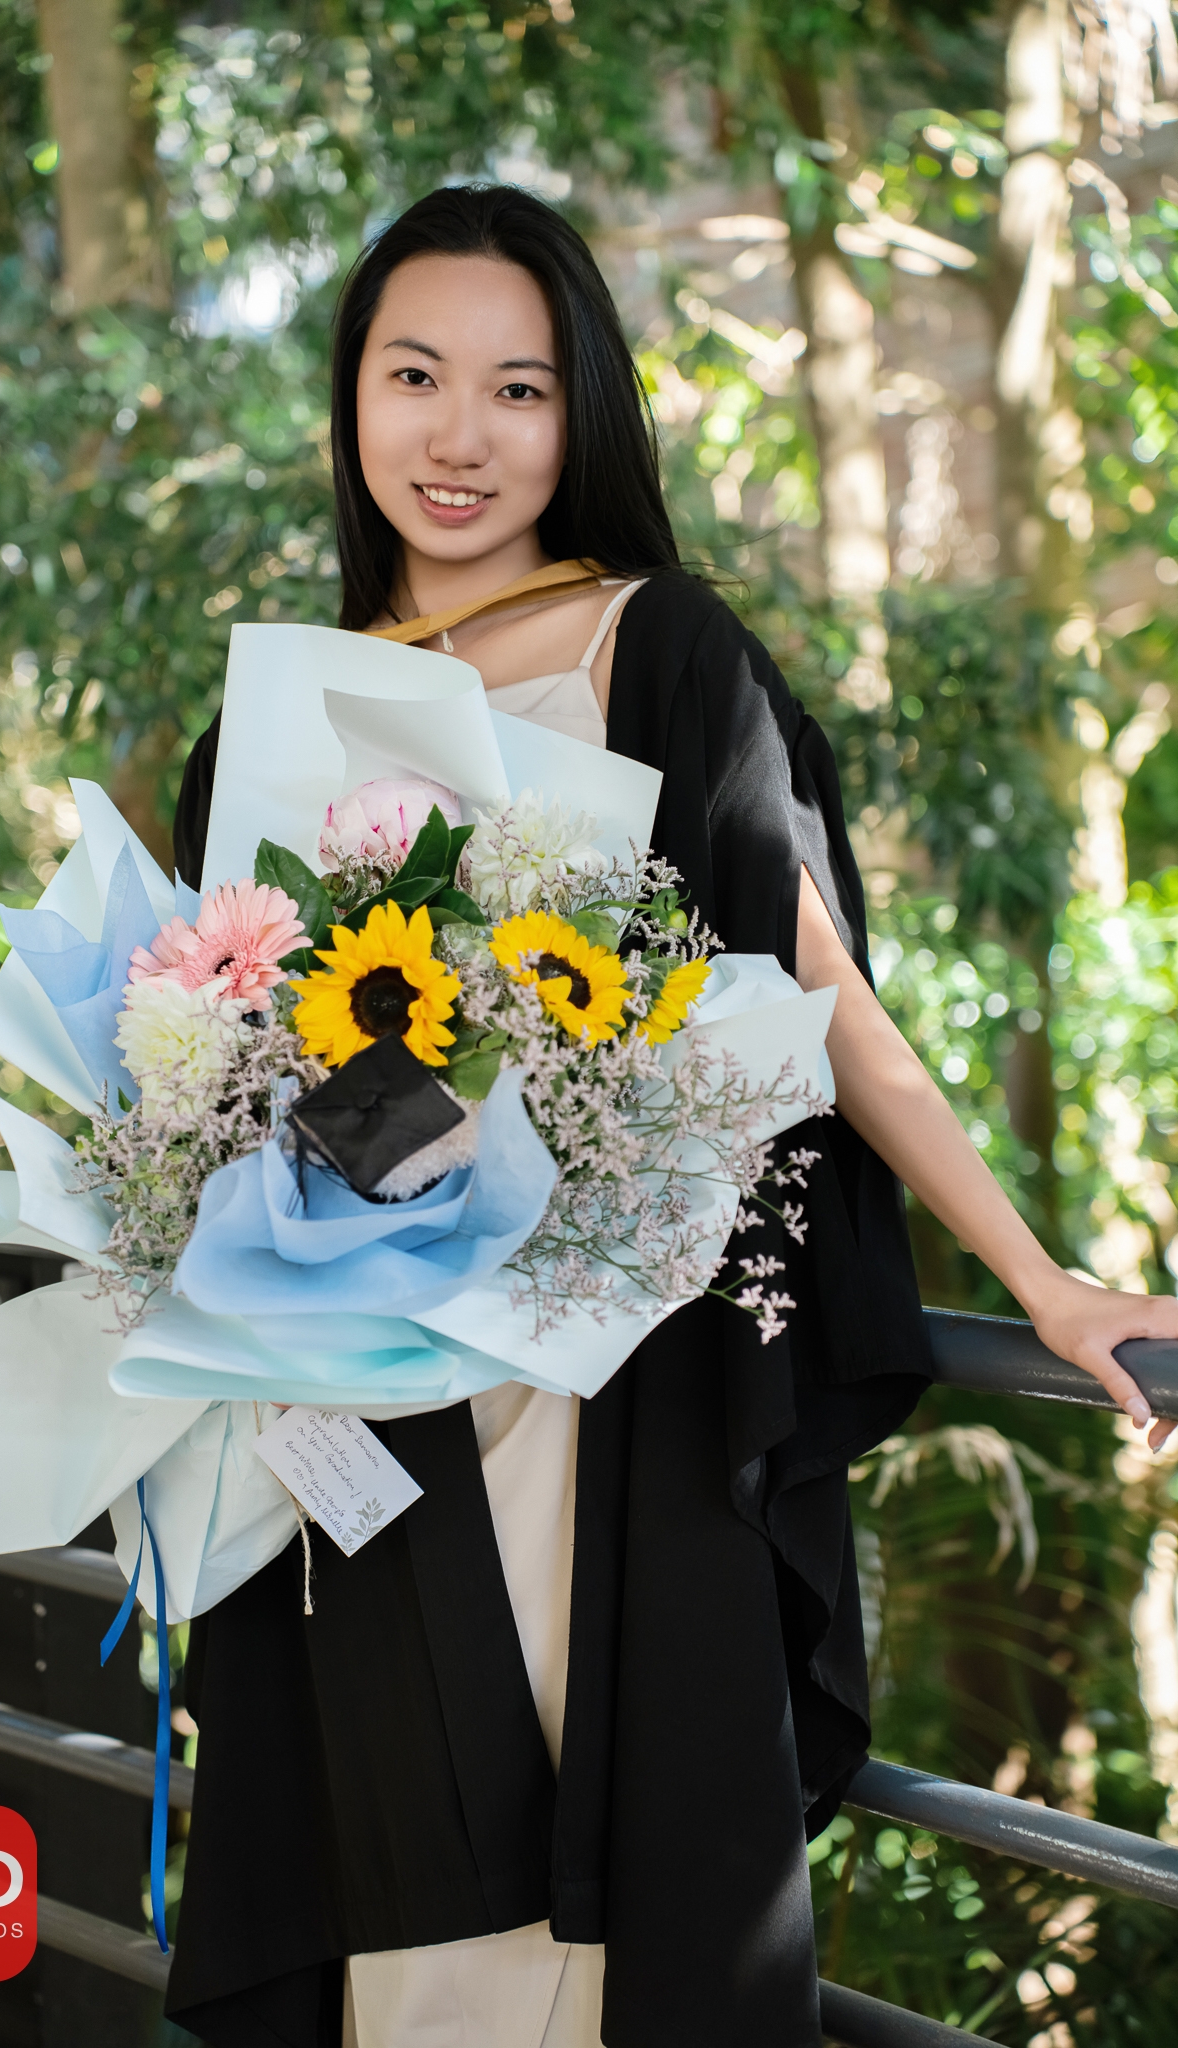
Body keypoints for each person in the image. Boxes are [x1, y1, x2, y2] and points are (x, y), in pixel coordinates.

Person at [165, 185, 1177, 2048]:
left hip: (587, 1388)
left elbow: (815, 1003)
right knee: (380, 1891)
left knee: (583, 1888)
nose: (460, 437)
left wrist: (1041, 1282)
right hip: (343, 1390)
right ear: (352, 395)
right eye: (413, 376)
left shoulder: (654, 647)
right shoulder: (273, 714)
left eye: (519, 389)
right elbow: (217, 1058)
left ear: (585, 414)